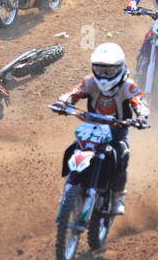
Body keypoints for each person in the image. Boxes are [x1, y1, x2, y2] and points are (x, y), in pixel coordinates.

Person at [56, 43, 148, 216]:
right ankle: (72, 184)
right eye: (100, 70)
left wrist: (141, 116)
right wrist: (63, 102)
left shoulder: (127, 85)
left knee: (122, 153)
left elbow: (139, 101)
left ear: (119, 68)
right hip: (92, 127)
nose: (104, 75)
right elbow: (75, 92)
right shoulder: (90, 80)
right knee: (74, 148)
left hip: (117, 131)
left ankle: (118, 196)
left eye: (109, 71)